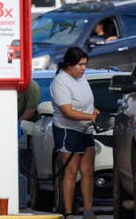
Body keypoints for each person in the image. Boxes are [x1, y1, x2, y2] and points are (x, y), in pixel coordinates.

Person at [50, 47, 99, 219]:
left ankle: (88, 210)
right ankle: (69, 213)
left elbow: (86, 103)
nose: (83, 68)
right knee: (71, 172)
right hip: (67, 130)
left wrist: (94, 111)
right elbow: (67, 111)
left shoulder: (81, 78)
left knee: (88, 170)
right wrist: (90, 117)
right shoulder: (60, 82)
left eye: (85, 64)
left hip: (86, 129)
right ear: (69, 65)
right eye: (80, 65)